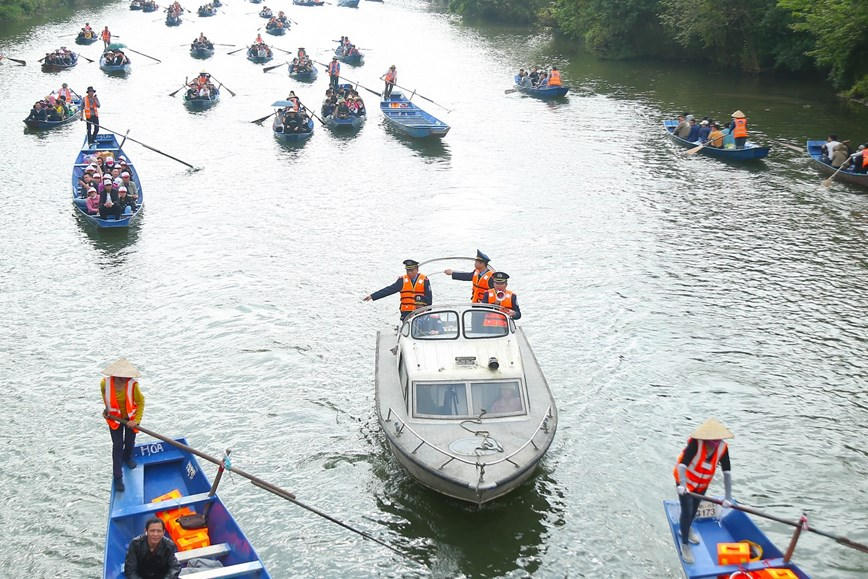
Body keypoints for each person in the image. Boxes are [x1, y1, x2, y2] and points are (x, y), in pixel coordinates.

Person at [674, 418, 733, 564]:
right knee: (687, 511)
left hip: (702, 484)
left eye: (718, 439)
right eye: (712, 439)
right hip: (686, 483)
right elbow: (683, 465)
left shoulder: (723, 448)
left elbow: (727, 472)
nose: (715, 442)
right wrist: (682, 485)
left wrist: (728, 497)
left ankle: (686, 528)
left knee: (694, 510)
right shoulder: (696, 443)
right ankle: (685, 544)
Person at [101, 358, 145, 492]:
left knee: (130, 441)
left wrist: (136, 420)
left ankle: (128, 457)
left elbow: (141, 402)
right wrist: (106, 410)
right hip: (115, 419)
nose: (124, 380)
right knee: (117, 445)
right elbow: (105, 396)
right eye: (121, 377)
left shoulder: (133, 386)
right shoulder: (105, 384)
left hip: (130, 419)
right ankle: (118, 477)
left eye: (126, 377)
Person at [363, 259, 432, 320]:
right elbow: (389, 290)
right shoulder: (402, 280)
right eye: (407, 271)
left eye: (411, 270)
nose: (409, 273)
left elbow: (429, 297)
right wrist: (372, 296)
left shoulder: (424, 280)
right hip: (406, 313)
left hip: (420, 311)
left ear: (417, 269)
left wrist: (428, 312)